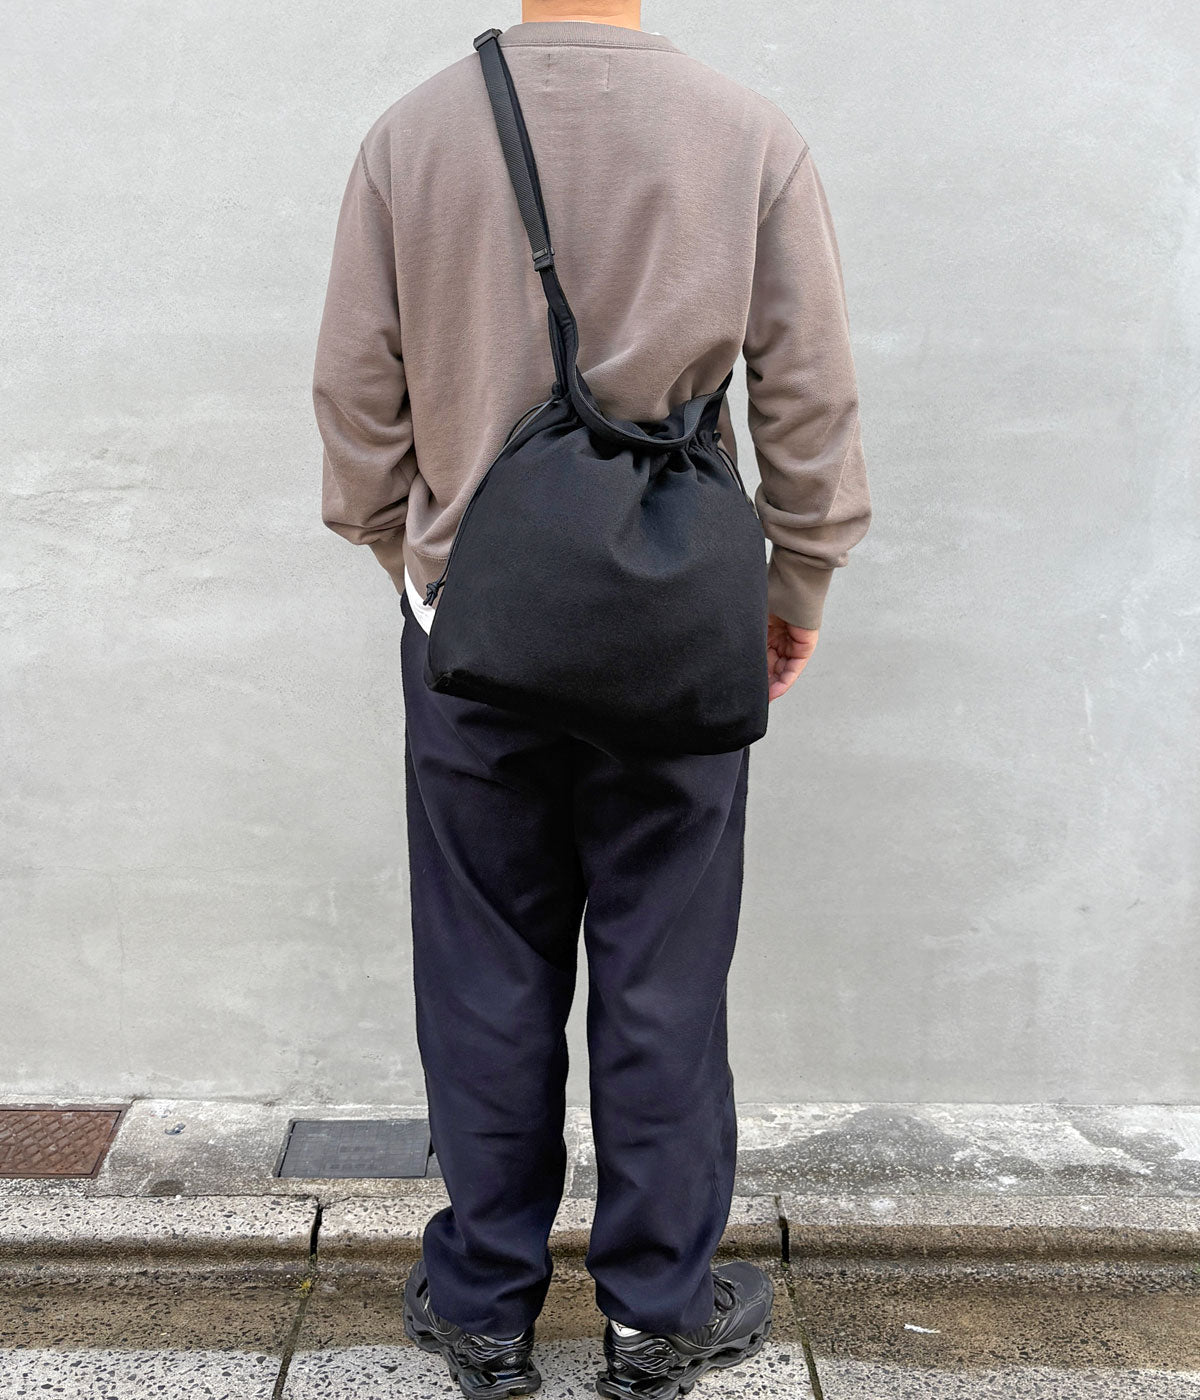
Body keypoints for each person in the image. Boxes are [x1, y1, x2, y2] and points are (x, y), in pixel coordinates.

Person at [311, 2, 871, 1396]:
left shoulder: (411, 137)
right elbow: (808, 398)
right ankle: (656, 1312)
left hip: (472, 635)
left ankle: (484, 1309)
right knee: (662, 970)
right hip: (674, 635)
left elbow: (356, 397)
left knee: (483, 965)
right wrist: (795, 588)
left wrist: (419, 570)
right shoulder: (750, 137)